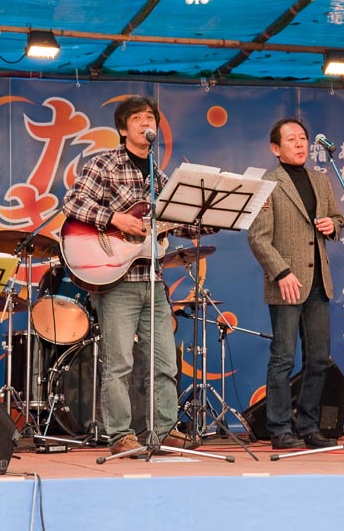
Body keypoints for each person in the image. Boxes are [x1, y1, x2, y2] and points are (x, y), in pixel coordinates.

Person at [61, 95, 213, 456]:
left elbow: (178, 222)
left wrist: (214, 219)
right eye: (140, 117)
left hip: (152, 279)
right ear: (122, 127)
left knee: (165, 361)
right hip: (115, 279)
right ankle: (120, 435)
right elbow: (72, 203)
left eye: (152, 117)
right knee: (119, 363)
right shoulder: (104, 164)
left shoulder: (159, 176)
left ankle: (164, 428)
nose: (148, 122)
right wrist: (115, 219)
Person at [247, 118, 343, 450]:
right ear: (276, 148)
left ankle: (309, 425)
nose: (301, 144)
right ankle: (279, 428)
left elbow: (339, 218)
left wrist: (335, 224)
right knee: (283, 357)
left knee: (318, 358)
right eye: (292, 140)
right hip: (286, 282)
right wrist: (282, 272)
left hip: (319, 281)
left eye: (303, 138)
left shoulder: (321, 179)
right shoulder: (268, 183)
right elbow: (258, 238)